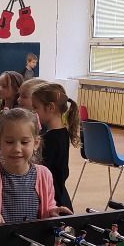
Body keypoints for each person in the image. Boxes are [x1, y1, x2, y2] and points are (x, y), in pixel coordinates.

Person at [0, 108, 72, 226]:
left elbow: (48, 207)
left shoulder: (45, 175)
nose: (17, 149)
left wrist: (51, 212)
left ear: (36, 143)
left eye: (24, 142)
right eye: (9, 142)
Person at [31, 82, 80, 212]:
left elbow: (39, 169)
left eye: (35, 107)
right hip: (59, 192)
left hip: (53, 198)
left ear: (50, 107)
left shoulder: (50, 139)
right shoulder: (62, 132)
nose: (33, 112)